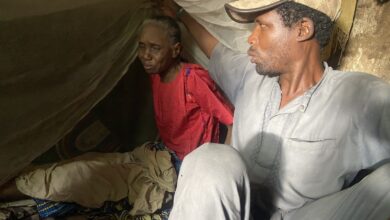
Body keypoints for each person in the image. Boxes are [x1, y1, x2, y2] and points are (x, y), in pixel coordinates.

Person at [160, 0, 390, 219]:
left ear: (303, 30)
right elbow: (216, 50)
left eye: (262, 26)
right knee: (210, 158)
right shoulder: (249, 77)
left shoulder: (358, 96)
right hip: (240, 211)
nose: (252, 37)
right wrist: (179, 14)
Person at [0, 15, 233, 218]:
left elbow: (232, 120)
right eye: (142, 46)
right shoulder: (157, 74)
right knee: (86, 164)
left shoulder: (193, 79)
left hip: (177, 169)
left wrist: (215, 172)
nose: (145, 55)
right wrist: (169, 10)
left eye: (154, 48)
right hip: (155, 154)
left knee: (81, 178)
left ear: (176, 50)